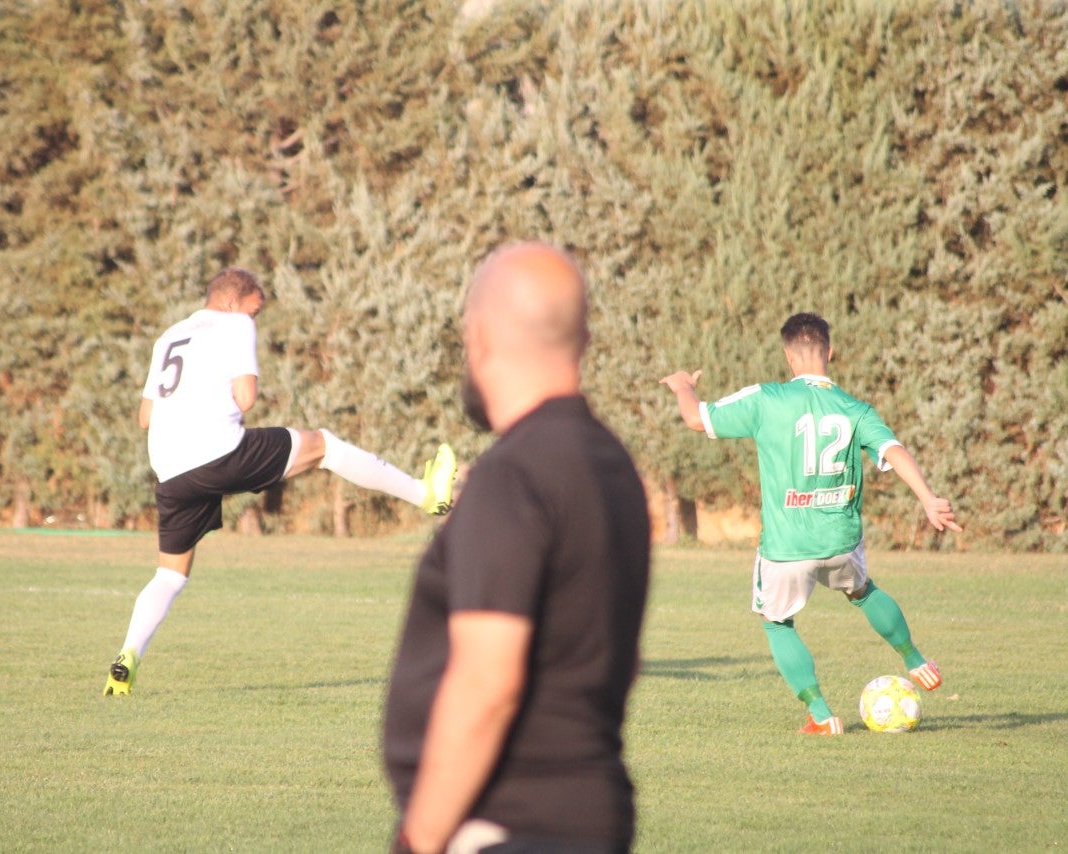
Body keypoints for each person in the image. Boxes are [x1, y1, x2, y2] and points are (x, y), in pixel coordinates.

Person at [382, 242, 651, 854]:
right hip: (588, 811)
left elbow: (487, 682)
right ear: (581, 339)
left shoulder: (514, 475)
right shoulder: (613, 467)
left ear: (480, 336)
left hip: (507, 825)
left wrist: (419, 840)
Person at [104, 266, 458, 696]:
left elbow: (145, 417)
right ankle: (428, 495)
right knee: (324, 445)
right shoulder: (234, 324)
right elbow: (246, 398)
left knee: (170, 575)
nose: (254, 320)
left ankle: (126, 659)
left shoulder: (169, 336)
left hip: (171, 473)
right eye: (255, 311)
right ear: (234, 301)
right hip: (219, 452)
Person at [659, 312, 962, 735]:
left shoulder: (766, 399)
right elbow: (894, 450)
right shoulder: (855, 409)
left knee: (776, 621)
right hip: (840, 539)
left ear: (788, 356)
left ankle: (821, 714)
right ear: (830, 352)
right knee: (861, 590)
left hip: (786, 546)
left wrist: (683, 386)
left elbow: (696, 419)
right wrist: (928, 499)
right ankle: (914, 659)